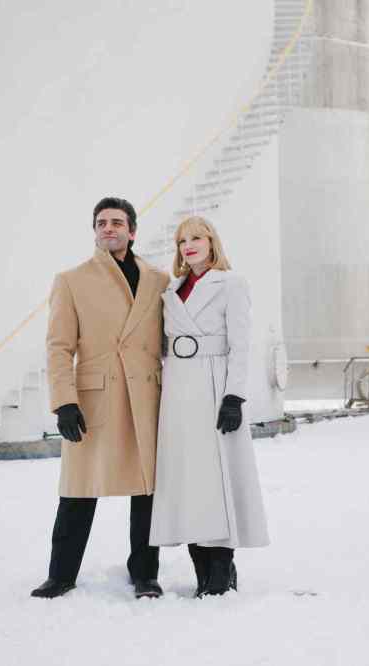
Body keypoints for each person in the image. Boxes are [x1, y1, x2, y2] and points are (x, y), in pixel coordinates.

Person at [31, 196, 170, 599]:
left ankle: (145, 573)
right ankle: (60, 574)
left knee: (147, 491)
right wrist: (64, 401)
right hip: (95, 398)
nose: (108, 228)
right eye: (101, 223)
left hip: (146, 396)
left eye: (117, 222)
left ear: (132, 231)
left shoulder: (157, 279)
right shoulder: (71, 280)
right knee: (78, 489)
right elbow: (59, 346)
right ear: (94, 231)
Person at [149, 216, 269, 596]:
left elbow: (241, 344)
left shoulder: (231, 283)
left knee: (218, 478)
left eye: (196, 237)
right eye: (182, 240)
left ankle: (221, 570)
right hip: (179, 387)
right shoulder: (172, 290)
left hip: (214, 385)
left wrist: (233, 396)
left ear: (212, 241)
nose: (188, 245)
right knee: (187, 478)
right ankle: (202, 569)